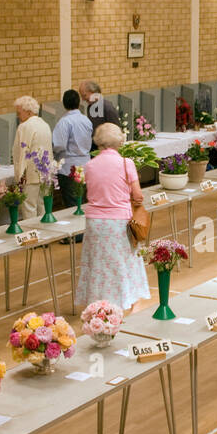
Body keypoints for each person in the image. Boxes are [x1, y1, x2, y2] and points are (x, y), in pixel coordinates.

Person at [77, 123, 150, 313]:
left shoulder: (89, 166)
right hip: (119, 222)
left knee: (97, 264)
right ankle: (130, 300)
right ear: (119, 141)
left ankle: (96, 303)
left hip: (94, 222)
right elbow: (138, 195)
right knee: (124, 263)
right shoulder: (127, 164)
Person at [12, 95, 52, 221]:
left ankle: (33, 237)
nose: (18, 116)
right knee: (41, 206)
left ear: (28, 112)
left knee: (29, 207)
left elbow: (22, 152)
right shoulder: (45, 124)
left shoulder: (24, 127)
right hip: (45, 172)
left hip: (29, 174)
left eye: (19, 113)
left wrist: (19, 176)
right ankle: (44, 237)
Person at [52, 88, 93, 210]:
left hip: (69, 168)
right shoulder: (86, 120)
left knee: (72, 205)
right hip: (85, 165)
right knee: (84, 202)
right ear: (78, 102)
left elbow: (59, 145)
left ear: (64, 104)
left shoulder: (64, 122)